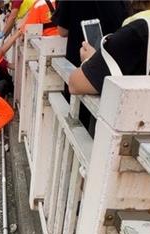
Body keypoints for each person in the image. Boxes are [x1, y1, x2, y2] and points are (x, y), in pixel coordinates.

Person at [51, 0, 129, 135]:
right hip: (111, 70)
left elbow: (62, 30)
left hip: (79, 69)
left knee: (76, 127)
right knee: (105, 127)